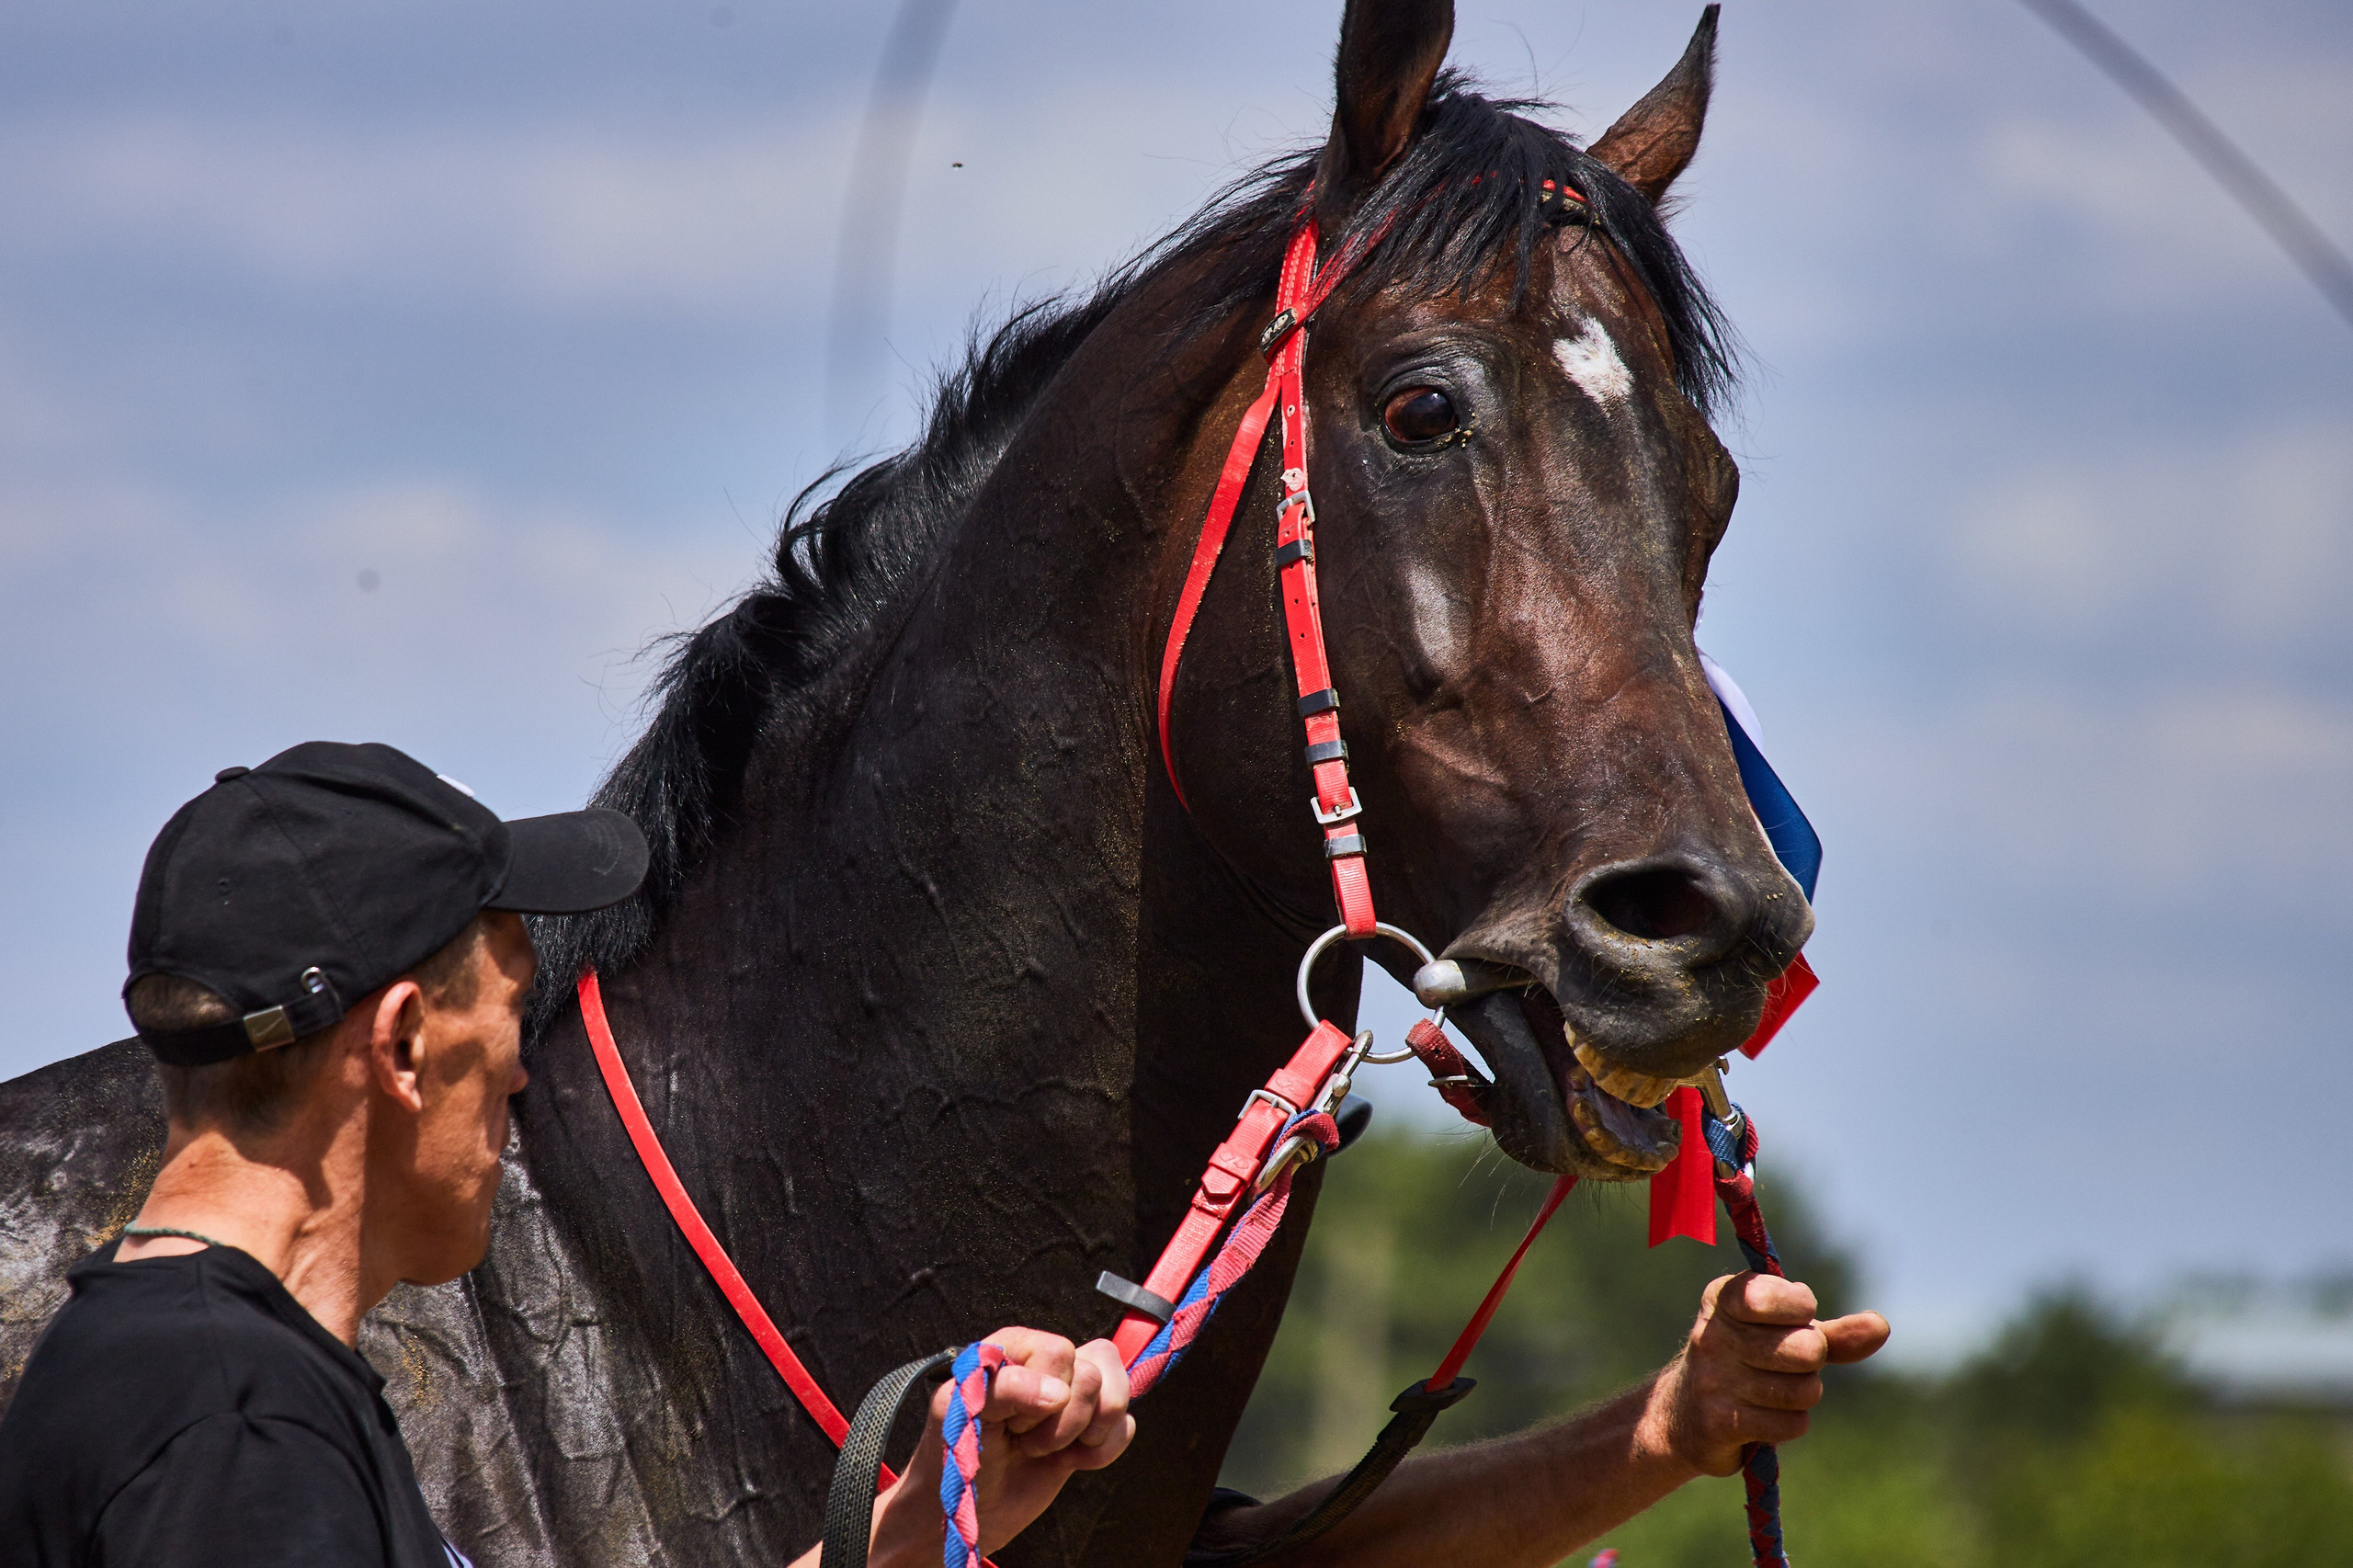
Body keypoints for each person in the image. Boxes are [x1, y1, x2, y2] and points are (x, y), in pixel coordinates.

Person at [0, 743, 1131, 1568]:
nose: (519, 1075)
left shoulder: (189, 1372)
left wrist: (909, 1524)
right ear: (401, 1044)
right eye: (509, 1013)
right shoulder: (240, 1434)